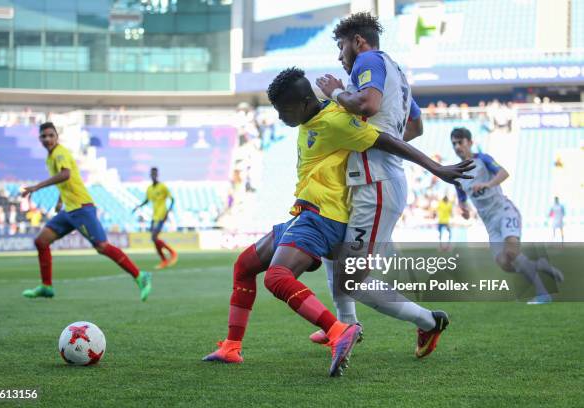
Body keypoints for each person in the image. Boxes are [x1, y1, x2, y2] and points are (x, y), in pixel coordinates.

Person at [202, 68, 473, 376]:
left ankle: (338, 330)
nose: (279, 118)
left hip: (324, 216)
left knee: (278, 278)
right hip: (306, 213)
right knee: (245, 265)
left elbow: (387, 141)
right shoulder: (314, 118)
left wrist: (436, 168)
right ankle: (232, 347)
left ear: (305, 103)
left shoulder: (336, 121)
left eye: (284, 111)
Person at [313, 12, 445, 357]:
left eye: (342, 47)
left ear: (358, 42)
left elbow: (368, 105)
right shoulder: (396, 72)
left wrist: (336, 92)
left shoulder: (368, 60)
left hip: (377, 183)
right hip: (377, 180)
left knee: (352, 278)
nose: (340, 57)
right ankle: (346, 325)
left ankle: (430, 321)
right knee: (333, 251)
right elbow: (415, 127)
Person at [20, 122, 151, 301]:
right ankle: (46, 286)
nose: (48, 139)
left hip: (82, 208)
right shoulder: (50, 158)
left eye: (51, 135)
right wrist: (60, 201)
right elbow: (66, 181)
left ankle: (139, 275)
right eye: (44, 136)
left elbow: (65, 174)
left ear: (57, 136)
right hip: (69, 210)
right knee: (41, 241)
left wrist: (37, 187)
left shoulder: (60, 153)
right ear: (40, 138)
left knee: (102, 247)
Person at [450, 127, 563, 304]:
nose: (457, 146)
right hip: (489, 223)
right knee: (506, 263)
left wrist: (487, 184)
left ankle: (543, 294)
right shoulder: (457, 174)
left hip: (504, 211)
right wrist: (463, 210)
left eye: (460, 142)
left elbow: (504, 173)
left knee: (511, 251)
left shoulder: (482, 159)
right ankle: (539, 265)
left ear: (470, 143)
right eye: (454, 143)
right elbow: (462, 201)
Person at [132, 167, 178, 269]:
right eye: (152, 174)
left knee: (154, 237)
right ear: (150, 175)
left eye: (155, 174)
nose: (153, 175)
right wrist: (138, 207)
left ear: (157, 175)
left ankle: (171, 253)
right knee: (154, 238)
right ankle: (165, 260)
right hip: (154, 216)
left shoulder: (163, 187)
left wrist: (168, 212)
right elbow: (147, 200)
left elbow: (172, 199)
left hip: (162, 215)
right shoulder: (149, 189)